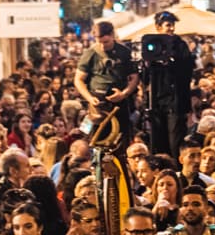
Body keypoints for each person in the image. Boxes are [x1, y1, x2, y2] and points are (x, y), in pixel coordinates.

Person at [76, 21, 138, 150]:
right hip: (97, 102)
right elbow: (79, 79)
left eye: (106, 42)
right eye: (99, 42)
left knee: (121, 140)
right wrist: (89, 98)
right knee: (94, 140)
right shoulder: (90, 53)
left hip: (119, 101)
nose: (102, 46)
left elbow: (134, 77)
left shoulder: (124, 52)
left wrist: (124, 94)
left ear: (112, 36)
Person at [142, 10, 195, 158]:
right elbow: (145, 79)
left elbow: (187, 72)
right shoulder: (152, 45)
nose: (171, 28)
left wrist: (172, 61)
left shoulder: (180, 45)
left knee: (175, 143)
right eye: (168, 25)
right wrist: (148, 64)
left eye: (172, 25)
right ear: (158, 27)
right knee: (158, 143)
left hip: (175, 102)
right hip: (156, 102)